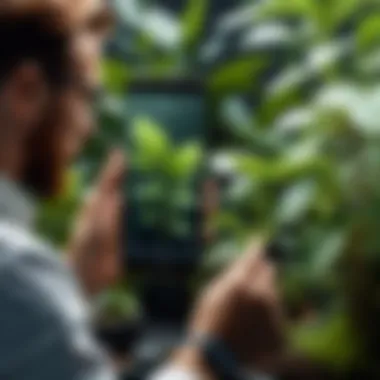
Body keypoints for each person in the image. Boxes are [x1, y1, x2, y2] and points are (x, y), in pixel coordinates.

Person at [0, 1, 284, 379]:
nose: (88, 127)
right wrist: (211, 353)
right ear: (27, 91)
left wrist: (75, 279)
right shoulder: (15, 270)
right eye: (87, 96)